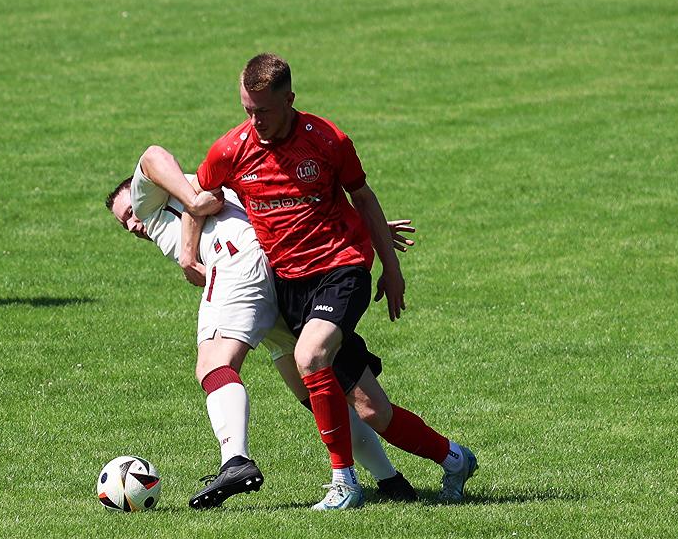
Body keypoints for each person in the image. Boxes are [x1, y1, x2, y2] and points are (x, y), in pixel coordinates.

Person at [192, 53, 476, 511]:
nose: (255, 121)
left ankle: (344, 484)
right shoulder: (231, 149)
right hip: (291, 286)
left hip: (341, 269)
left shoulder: (326, 140)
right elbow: (199, 198)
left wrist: (391, 268)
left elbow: (363, 198)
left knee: (309, 354)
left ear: (290, 100)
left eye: (264, 111)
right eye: (247, 109)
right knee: (372, 410)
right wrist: (188, 255)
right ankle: (455, 458)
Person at [105, 146, 419, 508]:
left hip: (236, 264)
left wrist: (192, 204)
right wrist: (360, 227)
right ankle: (391, 480)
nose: (133, 224)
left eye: (129, 213)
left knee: (213, 365)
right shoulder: (222, 189)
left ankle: (235, 461)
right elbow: (283, 212)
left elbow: (152, 155)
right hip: (275, 273)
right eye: (124, 224)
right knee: (313, 392)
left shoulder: (153, 204)